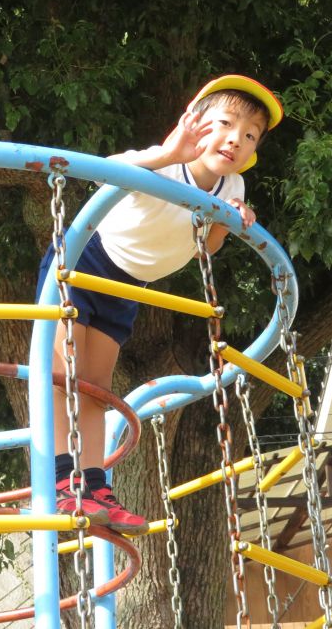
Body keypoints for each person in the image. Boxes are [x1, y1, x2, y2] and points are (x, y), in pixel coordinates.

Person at [38, 75, 283, 534]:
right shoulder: (165, 163)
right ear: (193, 123)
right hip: (80, 259)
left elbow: (205, 247)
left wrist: (232, 221)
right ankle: (61, 480)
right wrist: (168, 154)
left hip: (125, 285)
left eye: (250, 134)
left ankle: (93, 485)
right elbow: (102, 168)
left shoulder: (233, 187)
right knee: (62, 373)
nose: (235, 139)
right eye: (225, 123)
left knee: (95, 387)